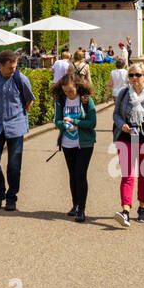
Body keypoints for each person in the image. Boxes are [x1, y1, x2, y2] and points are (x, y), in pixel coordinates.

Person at [0, 50, 35, 212]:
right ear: (0, 66)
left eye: (15, 67)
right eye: (10, 68)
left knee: (14, 166)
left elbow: (29, 101)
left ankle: (11, 197)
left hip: (15, 126)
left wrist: (18, 116)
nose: (13, 70)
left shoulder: (21, 79)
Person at [113, 62, 144, 227]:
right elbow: (116, 114)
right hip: (126, 140)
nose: (134, 78)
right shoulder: (123, 94)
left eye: (137, 75)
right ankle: (125, 211)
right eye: (131, 75)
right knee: (127, 176)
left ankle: (142, 208)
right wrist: (122, 125)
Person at [52, 71, 97, 222]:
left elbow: (92, 123)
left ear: (77, 87)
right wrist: (63, 125)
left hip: (84, 143)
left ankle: (82, 209)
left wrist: (75, 122)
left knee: (80, 174)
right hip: (67, 142)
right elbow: (57, 121)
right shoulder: (61, 100)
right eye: (66, 91)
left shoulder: (85, 100)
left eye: (71, 90)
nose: (69, 94)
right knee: (72, 174)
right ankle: (75, 204)